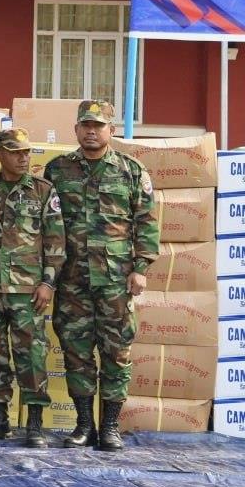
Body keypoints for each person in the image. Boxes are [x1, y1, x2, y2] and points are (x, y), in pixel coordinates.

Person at [44, 100, 158, 452]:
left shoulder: (131, 170)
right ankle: (83, 425)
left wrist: (141, 268)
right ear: (76, 130)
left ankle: (110, 427)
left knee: (116, 353)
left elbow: (146, 222)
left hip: (115, 282)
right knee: (76, 353)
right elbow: (46, 225)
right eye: (86, 126)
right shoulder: (57, 170)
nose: (91, 132)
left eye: (98, 126)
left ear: (111, 130)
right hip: (71, 281)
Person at [0, 127, 66, 449]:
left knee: (32, 355)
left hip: (28, 290)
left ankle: (34, 424)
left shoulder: (43, 190)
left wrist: (48, 282)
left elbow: (55, 241)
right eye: (15, 153)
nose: (23, 158)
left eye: (26, 152)